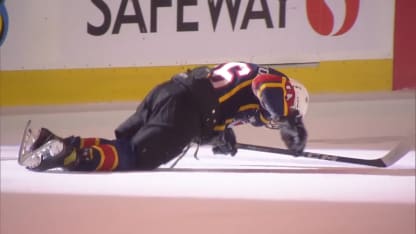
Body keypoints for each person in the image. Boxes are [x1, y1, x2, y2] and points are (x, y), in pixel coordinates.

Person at [18, 62, 309, 171]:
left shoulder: (247, 85)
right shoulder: (276, 82)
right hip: (186, 109)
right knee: (134, 157)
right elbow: (266, 89)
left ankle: (53, 143)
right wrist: (288, 121)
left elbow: (225, 100)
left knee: (123, 145)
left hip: (171, 92)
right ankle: (66, 156)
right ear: (291, 95)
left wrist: (216, 134)